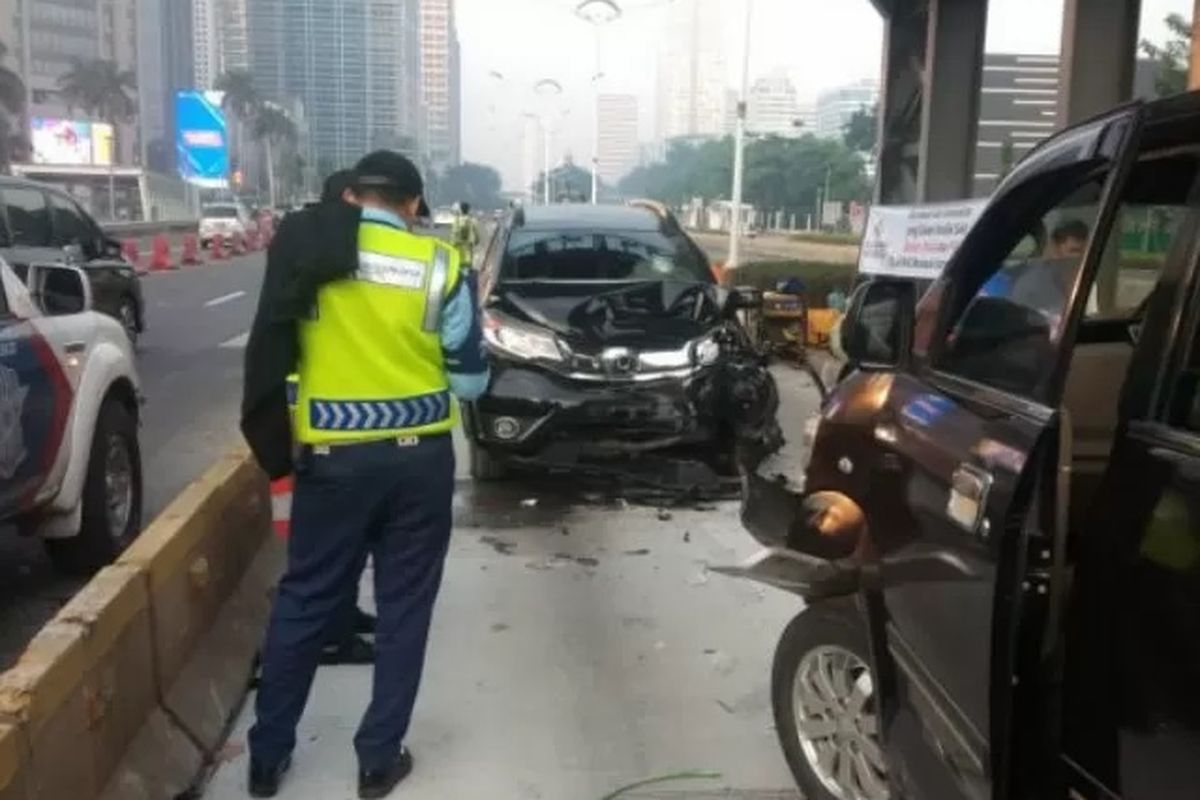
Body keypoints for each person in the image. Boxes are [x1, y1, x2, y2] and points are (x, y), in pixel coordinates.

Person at [245, 150, 488, 799]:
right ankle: (378, 761)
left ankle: (267, 759)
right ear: (413, 205)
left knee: (303, 600)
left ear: (351, 196)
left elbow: (278, 348)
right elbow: (469, 379)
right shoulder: (443, 264)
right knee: (405, 607)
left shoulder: (310, 257)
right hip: (420, 462)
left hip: (333, 461)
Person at [246, 170, 377, 668]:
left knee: (344, 542)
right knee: (316, 552)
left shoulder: (324, 240)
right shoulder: (315, 244)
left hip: (334, 419)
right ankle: (322, 637)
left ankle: (342, 616)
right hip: (313, 420)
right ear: (346, 197)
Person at [450, 201, 480, 267]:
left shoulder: (456, 221)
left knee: (458, 266)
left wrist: (453, 244)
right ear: (468, 210)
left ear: (460, 209)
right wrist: (475, 242)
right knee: (468, 265)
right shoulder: (473, 220)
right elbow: (477, 236)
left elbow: (453, 235)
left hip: (458, 248)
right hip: (468, 248)